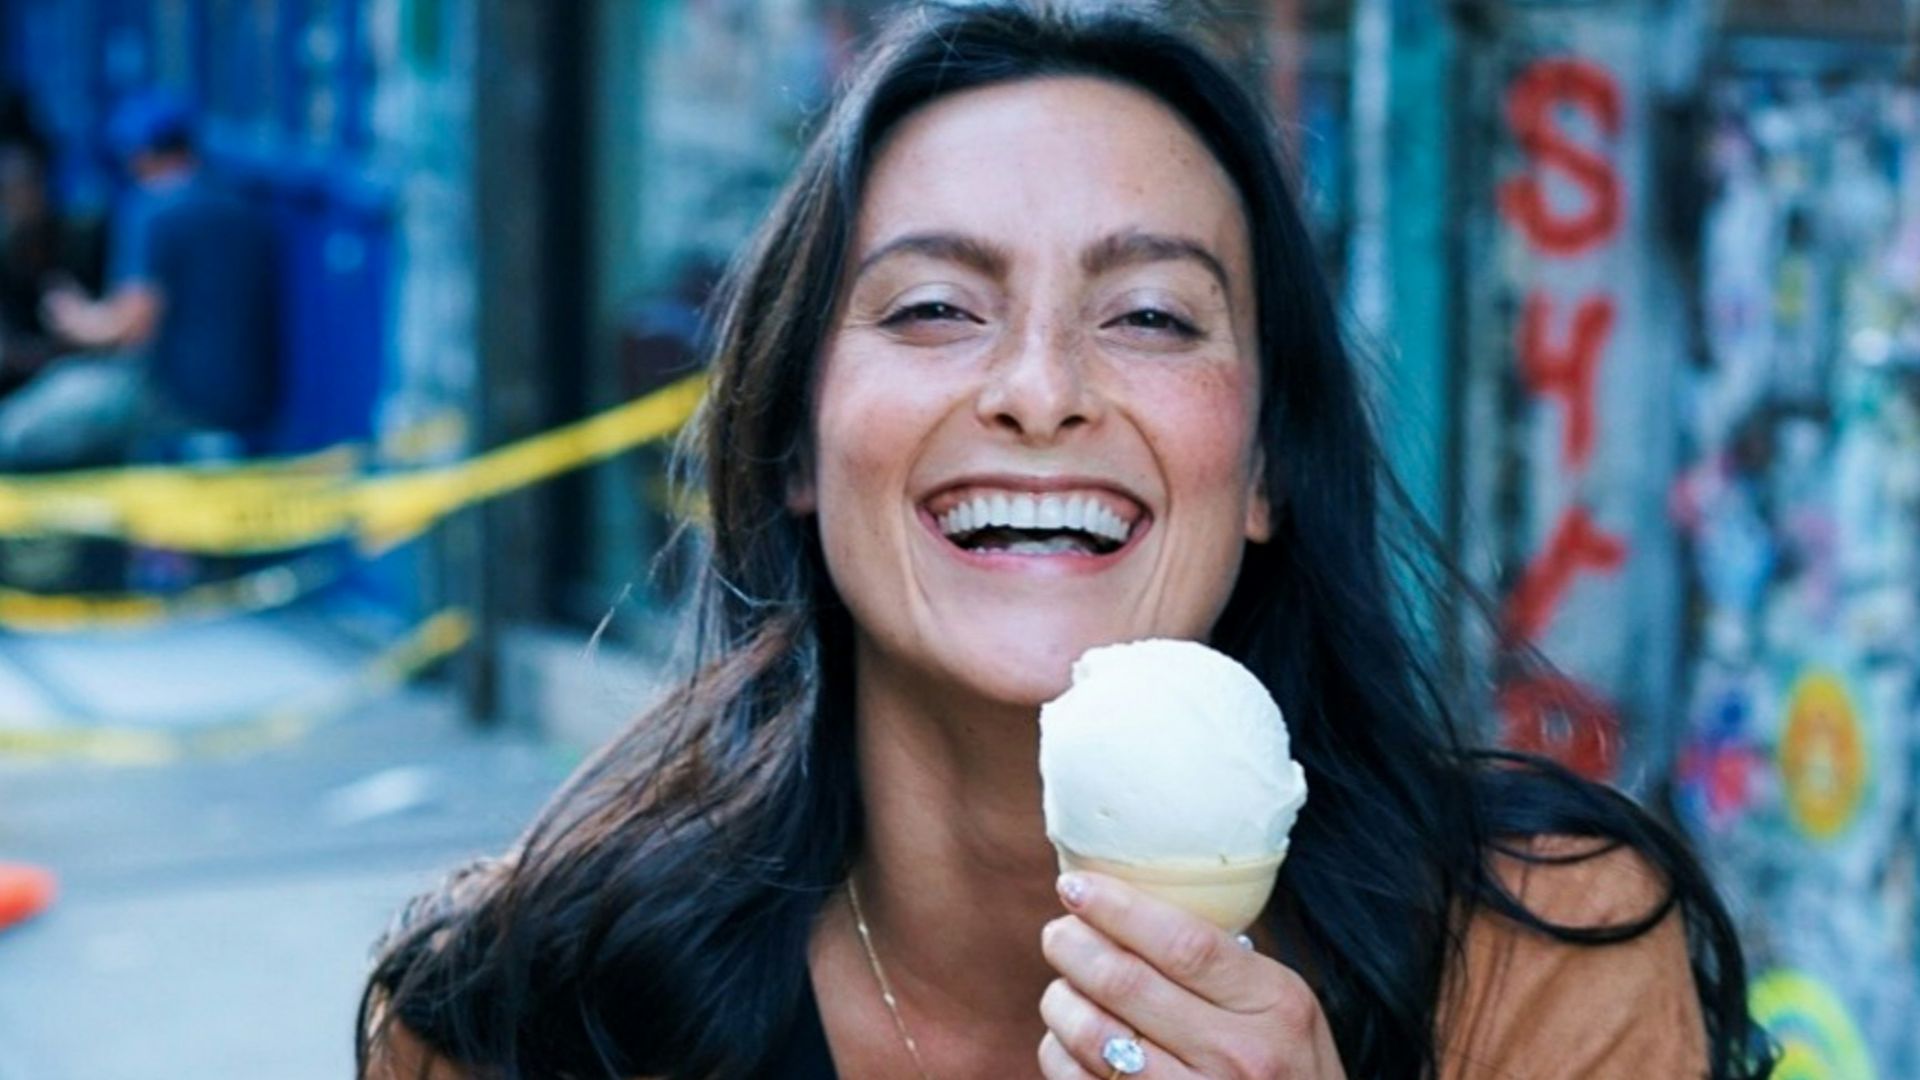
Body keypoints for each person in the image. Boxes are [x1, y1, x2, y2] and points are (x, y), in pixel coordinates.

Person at [359, 5, 1774, 1078]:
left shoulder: (1541, 955)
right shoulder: (517, 1013)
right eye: (931, 310)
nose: (1041, 390)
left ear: (1270, 461)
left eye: (1152, 315)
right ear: (794, 442)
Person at [0, 90, 278, 469]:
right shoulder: (240, 208)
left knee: (18, 429)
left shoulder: (152, 211)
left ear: (142, 154)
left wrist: (74, 317)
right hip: (253, 403)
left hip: (173, 402)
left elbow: (130, 328)